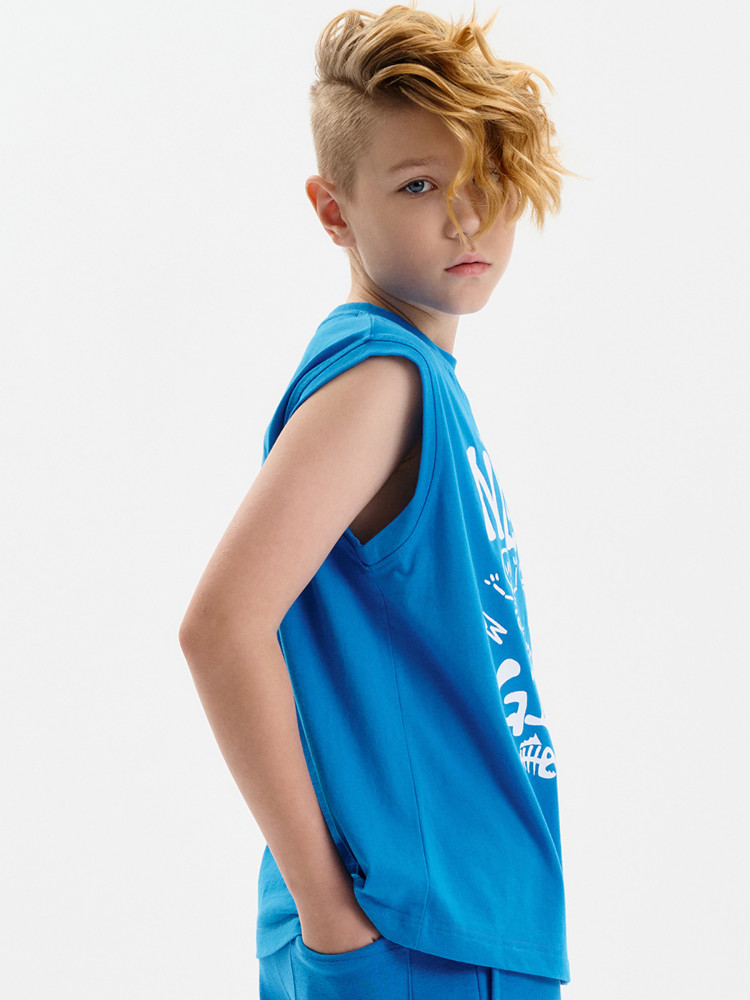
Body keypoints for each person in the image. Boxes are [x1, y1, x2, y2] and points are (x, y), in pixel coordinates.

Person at [179, 5, 571, 998]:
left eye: (487, 177)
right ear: (333, 210)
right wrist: (332, 916)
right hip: (415, 934)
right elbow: (221, 627)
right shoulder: (381, 378)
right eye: (419, 185)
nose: (467, 216)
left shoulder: (410, 380)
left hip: (441, 922)